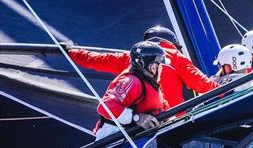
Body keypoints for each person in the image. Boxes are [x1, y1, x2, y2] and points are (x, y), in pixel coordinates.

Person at [67, 26, 219, 109]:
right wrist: (227, 91)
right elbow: (202, 85)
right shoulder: (176, 56)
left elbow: (97, 60)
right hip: (174, 120)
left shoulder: (133, 57)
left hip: (145, 124)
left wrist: (71, 52)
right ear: (173, 43)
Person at [94, 41, 168, 139]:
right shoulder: (131, 81)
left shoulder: (152, 82)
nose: (160, 68)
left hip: (137, 139)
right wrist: (136, 118)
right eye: (156, 64)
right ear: (144, 63)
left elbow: (161, 105)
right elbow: (105, 106)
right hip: (114, 141)